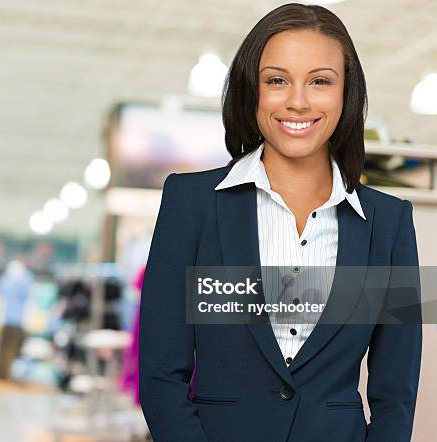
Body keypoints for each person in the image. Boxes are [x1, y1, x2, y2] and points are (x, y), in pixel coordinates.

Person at [138, 3, 422, 442]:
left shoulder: (390, 222)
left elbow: (396, 395)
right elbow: (161, 373)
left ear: (346, 94)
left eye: (321, 81)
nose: (297, 101)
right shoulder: (190, 204)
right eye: (277, 80)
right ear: (252, 91)